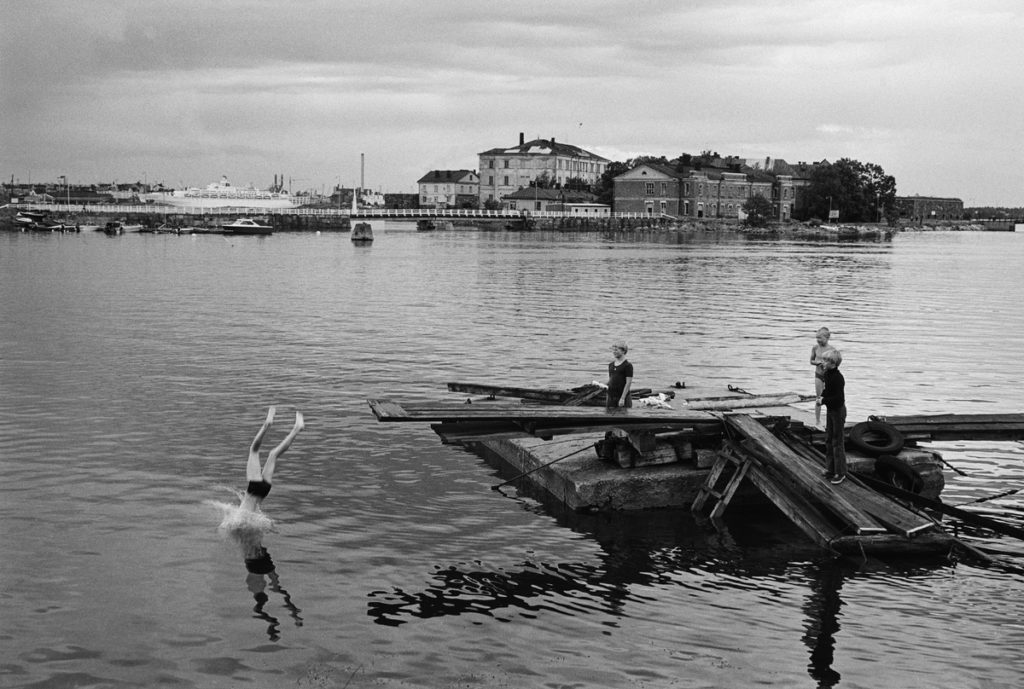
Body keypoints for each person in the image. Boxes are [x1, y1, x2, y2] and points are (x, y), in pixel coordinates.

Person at [817, 349, 847, 485]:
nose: (822, 362)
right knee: (828, 439)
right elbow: (827, 391)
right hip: (830, 411)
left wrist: (824, 401)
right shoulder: (828, 374)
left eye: (825, 360)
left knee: (837, 442)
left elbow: (839, 399)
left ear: (832, 363)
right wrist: (822, 396)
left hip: (838, 411)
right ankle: (830, 469)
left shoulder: (838, 378)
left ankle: (840, 473)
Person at [810, 327, 836, 425]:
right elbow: (811, 361)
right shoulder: (815, 348)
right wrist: (816, 362)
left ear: (827, 338)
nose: (818, 340)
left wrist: (826, 364)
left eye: (820, 338)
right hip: (818, 375)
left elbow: (835, 363)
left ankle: (831, 419)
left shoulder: (832, 349)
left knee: (830, 397)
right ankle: (817, 421)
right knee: (819, 397)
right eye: (817, 338)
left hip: (828, 376)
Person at [607, 342, 633, 408]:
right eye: (613, 350)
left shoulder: (627, 365)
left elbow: (628, 383)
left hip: (622, 397)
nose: (614, 352)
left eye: (616, 350)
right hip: (611, 397)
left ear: (623, 351)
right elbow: (611, 380)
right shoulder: (611, 365)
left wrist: (622, 398)